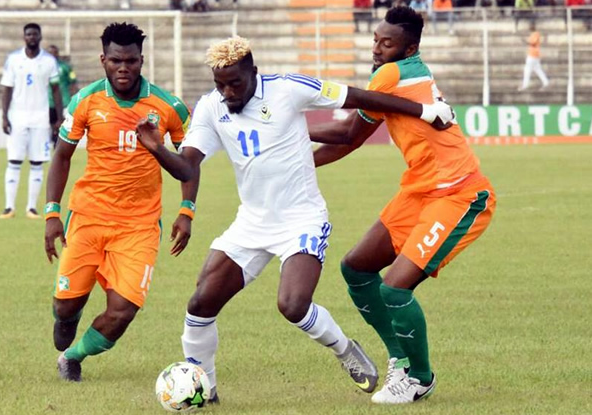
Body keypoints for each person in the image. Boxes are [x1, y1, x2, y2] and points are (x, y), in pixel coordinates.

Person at [134, 36, 454, 401]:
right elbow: (187, 168)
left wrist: (425, 111)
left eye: (235, 83)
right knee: (200, 305)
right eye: (220, 85)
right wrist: (158, 148)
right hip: (251, 224)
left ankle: (345, 349)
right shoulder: (210, 107)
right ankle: (206, 390)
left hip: (302, 219)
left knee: (292, 305)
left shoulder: (288, 88)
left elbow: (361, 97)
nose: (228, 92)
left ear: (253, 72)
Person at [309, 6, 496, 404]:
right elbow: (353, 138)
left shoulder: (390, 75)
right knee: (357, 268)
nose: (376, 48)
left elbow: (345, 132)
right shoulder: (403, 72)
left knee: (395, 287)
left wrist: (286, 128)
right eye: (375, 39)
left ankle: (420, 378)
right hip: (421, 190)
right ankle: (400, 357)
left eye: (386, 42)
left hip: (458, 193)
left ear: (409, 47)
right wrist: (294, 160)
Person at [44, 22, 192, 382]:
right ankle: (70, 313)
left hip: (139, 225)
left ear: (142, 61)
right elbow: (62, 157)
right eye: (115, 61)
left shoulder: (169, 107)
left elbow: (189, 165)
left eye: (130, 61)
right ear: (103, 60)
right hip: (89, 217)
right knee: (65, 307)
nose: (122, 68)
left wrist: (186, 209)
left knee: (123, 311)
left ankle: (73, 357)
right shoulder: (87, 101)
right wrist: (52, 212)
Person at [0, 23, 63, 219]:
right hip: (17, 117)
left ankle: (31, 208)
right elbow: (7, 89)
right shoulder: (13, 60)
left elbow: (55, 90)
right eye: (28, 34)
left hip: (40, 118)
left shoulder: (49, 61)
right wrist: (4, 115)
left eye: (35, 34)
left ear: (40, 36)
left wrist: (59, 118)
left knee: (37, 162)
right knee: (14, 161)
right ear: (24, 37)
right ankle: (9, 207)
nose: (32, 37)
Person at [47, 45, 78, 149]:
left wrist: (74, 96)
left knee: (62, 124)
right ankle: (53, 138)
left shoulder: (66, 67)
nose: (52, 55)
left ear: (57, 53)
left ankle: (58, 144)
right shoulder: (43, 67)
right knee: (50, 124)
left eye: (54, 52)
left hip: (64, 101)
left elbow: (73, 82)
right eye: (50, 53)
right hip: (48, 101)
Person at [518, 22, 549, 91]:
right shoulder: (533, 34)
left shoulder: (535, 34)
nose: (529, 27)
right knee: (538, 69)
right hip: (535, 55)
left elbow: (533, 43)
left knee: (527, 70)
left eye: (531, 26)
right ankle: (546, 82)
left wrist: (524, 41)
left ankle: (525, 85)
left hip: (533, 55)